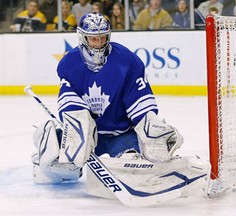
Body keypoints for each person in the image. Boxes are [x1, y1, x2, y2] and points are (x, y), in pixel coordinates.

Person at [31, 12, 184, 186]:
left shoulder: (128, 61)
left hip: (121, 134)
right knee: (62, 168)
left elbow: (139, 99)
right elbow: (69, 100)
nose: (98, 44)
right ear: (82, 37)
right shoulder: (69, 64)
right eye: (93, 39)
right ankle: (42, 159)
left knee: (131, 165)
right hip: (90, 136)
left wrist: (151, 125)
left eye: (102, 38)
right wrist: (79, 128)